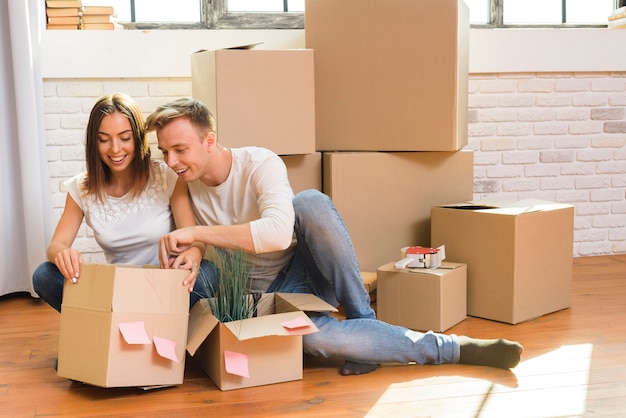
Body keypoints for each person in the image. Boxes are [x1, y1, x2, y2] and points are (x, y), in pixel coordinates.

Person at [146, 98, 524, 376]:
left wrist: (196, 232)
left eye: (181, 149)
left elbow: (278, 233)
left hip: (299, 276)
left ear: (209, 141)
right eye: (165, 151)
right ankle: (407, 343)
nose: (172, 161)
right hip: (244, 294)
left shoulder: (259, 163)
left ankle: (385, 324)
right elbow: (192, 242)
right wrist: (193, 252)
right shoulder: (182, 182)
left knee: (310, 203)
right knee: (312, 341)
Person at [33, 93, 203, 314]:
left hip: (162, 286)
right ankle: (117, 323)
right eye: (104, 139)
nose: (115, 149)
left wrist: (193, 255)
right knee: (44, 275)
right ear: (94, 141)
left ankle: (141, 324)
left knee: (207, 274)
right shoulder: (81, 188)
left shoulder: (167, 177)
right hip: (114, 295)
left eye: (125, 138)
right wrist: (63, 254)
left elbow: (194, 239)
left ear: (138, 138)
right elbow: (56, 245)